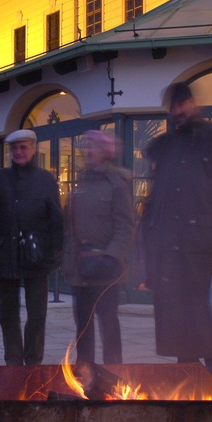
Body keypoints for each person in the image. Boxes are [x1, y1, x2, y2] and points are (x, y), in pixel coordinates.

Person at [139, 83, 212, 379]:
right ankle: (188, 391)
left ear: (194, 104)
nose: (178, 111)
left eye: (183, 104)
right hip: (172, 256)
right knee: (181, 330)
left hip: (208, 253)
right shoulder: (167, 147)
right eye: (174, 106)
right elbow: (155, 200)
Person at [0, 129, 64, 367]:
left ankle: (33, 359)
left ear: (33, 149)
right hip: (5, 253)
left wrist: (55, 250)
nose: (19, 152)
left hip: (36, 254)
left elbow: (55, 219)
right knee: (7, 313)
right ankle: (13, 358)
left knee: (37, 313)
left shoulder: (45, 179)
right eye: (15, 148)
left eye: (23, 147)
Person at [61, 130, 134, 365]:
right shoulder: (81, 182)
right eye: (86, 146)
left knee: (108, 325)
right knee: (83, 326)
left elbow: (126, 226)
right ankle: (85, 374)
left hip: (105, 267)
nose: (87, 151)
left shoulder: (116, 184)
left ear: (105, 151)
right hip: (80, 266)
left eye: (92, 146)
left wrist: (111, 258)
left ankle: (114, 374)